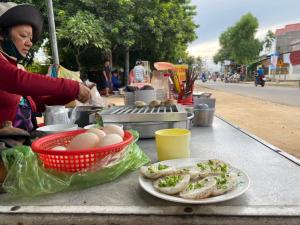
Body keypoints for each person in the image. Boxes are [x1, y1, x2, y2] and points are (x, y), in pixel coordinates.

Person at [0, 2, 91, 131]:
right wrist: (72, 87)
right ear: (2, 34)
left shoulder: (17, 68)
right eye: (23, 36)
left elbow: (41, 103)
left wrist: (73, 94)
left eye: (31, 38)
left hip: (23, 144)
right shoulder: (13, 74)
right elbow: (19, 80)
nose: (29, 43)